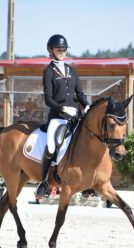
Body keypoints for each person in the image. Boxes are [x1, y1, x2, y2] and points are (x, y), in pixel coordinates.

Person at [36, 34, 90, 196]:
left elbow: (80, 94)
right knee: (52, 146)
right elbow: (48, 99)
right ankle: (44, 181)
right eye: (59, 49)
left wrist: (87, 106)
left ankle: (88, 182)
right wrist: (63, 109)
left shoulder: (71, 70)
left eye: (64, 49)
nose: (62, 52)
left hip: (75, 117)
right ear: (50, 50)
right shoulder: (49, 72)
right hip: (58, 118)